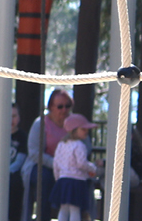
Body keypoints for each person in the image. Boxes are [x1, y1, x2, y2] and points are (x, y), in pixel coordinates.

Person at [23, 89, 75, 220]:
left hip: (69, 169)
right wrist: (56, 164)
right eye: (59, 106)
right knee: (44, 179)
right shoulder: (40, 123)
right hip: (42, 166)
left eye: (67, 106)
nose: (64, 110)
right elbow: (34, 153)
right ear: (51, 106)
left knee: (76, 181)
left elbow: (86, 145)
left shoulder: (75, 123)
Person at [50, 114, 99, 221]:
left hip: (63, 181)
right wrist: (92, 168)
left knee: (63, 209)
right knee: (75, 209)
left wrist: (58, 179)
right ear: (74, 130)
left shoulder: (61, 144)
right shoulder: (80, 146)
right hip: (76, 182)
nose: (86, 131)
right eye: (83, 129)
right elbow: (81, 163)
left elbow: (56, 164)